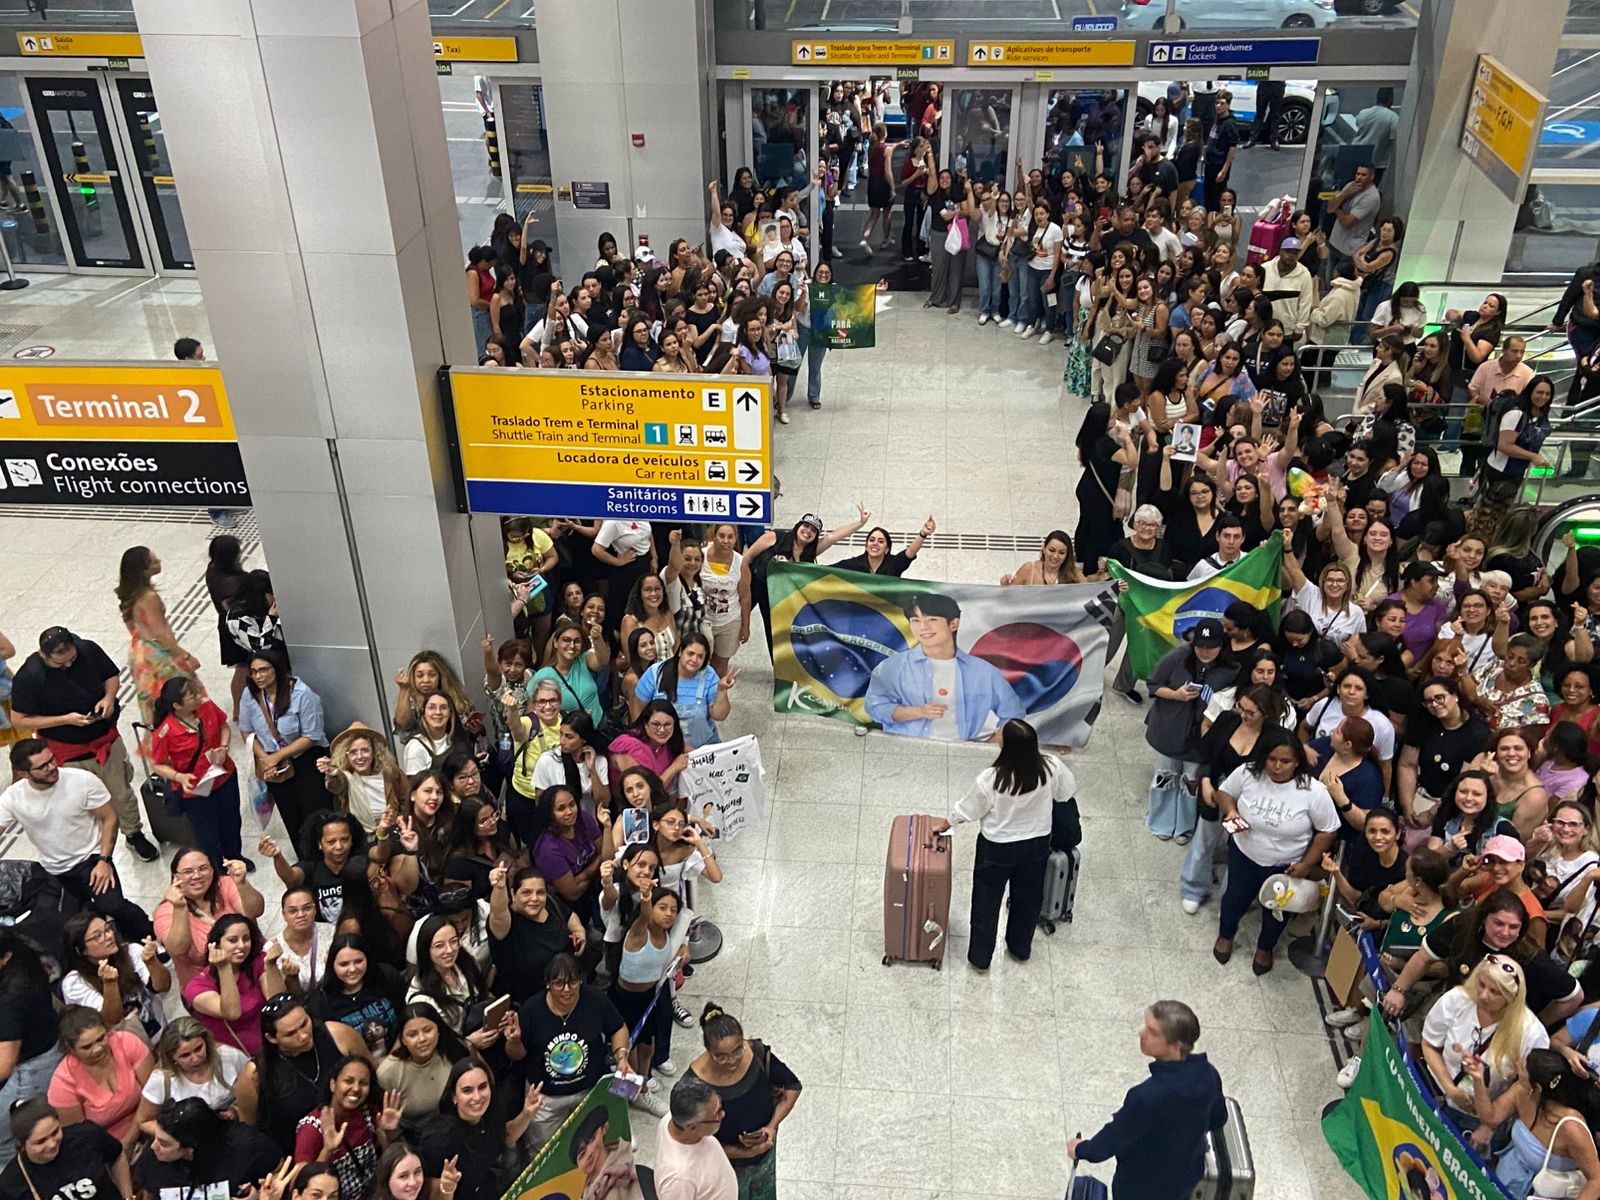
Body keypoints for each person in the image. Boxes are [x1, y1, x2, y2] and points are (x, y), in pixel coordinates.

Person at [6, 626, 158, 862]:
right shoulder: (30, 676)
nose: (68, 665)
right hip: (65, 751)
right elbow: (19, 719)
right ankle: (92, 848)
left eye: (71, 659)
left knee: (122, 793)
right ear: (43, 655)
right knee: (77, 803)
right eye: (60, 663)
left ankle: (133, 833)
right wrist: (65, 720)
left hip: (105, 740)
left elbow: (110, 676)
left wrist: (108, 698)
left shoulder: (88, 650)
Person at [933, 719, 1075, 970]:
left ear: (1007, 745)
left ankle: (980, 957)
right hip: (1036, 845)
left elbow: (970, 809)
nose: (996, 732)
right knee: (1028, 900)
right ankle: (1020, 948)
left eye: (1000, 731)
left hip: (996, 847)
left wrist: (947, 822)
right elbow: (1065, 794)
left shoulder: (991, 779)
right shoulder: (1052, 766)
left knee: (986, 904)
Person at [1067, 1001, 1226, 1200]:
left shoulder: (1147, 1096)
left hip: (1141, 1186)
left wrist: (1080, 1148)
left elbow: (1110, 1142)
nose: (1142, 1034)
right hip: (1186, 1175)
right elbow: (1218, 1119)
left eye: (1152, 1032)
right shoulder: (1208, 1074)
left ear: (1175, 1045)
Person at [1211, 733, 1340, 974]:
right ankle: (1225, 935)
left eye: (1285, 761)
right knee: (1234, 898)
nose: (1277, 767)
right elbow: (1224, 792)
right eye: (1272, 759)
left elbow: (1327, 831)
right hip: (1244, 854)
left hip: (1285, 864)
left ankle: (1265, 948)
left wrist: (1306, 864)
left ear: (1297, 762)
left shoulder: (1314, 791)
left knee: (1277, 910)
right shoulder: (1248, 772)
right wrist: (1230, 811)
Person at [0, 739, 154, 939]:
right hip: (55, 869)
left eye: (52, 759)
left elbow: (109, 817)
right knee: (77, 921)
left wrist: (104, 861)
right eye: (43, 766)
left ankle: (148, 934)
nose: (53, 767)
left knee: (113, 906)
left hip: (91, 860)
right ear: (23, 773)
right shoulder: (13, 797)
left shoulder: (81, 780)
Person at [506, 952, 631, 1149]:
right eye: (559, 984)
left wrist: (621, 1057)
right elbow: (518, 1055)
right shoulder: (531, 1010)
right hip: (547, 1097)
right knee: (542, 1150)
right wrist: (514, 1040)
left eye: (573, 982)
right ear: (547, 983)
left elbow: (617, 1028)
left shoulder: (595, 1000)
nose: (567, 990)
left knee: (598, 1143)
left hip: (590, 1089)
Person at [864, 591, 1025, 741]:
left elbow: (1014, 715)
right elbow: (875, 708)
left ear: (953, 624)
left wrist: (988, 747)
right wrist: (918, 712)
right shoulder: (891, 667)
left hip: (961, 754)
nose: (923, 627)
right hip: (905, 752)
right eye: (915, 620)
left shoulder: (983, 672)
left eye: (931, 619)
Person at [684, 1004, 800, 1200]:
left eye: (737, 1051)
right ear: (707, 1051)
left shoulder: (756, 1053)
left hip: (765, 1154)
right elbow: (693, 1140)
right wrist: (742, 1152)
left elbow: (793, 1087)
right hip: (725, 1166)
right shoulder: (694, 1085)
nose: (732, 1061)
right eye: (720, 1056)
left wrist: (771, 1127)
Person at [1143, 621, 1238, 843]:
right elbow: (1153, 684)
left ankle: (1184, 826)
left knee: (1191, 781)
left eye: (1211, 647)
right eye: (1201, 646)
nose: (1205, 651)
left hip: (1201, 738)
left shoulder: (1230, 669)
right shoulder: (1177, 657)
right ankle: (1160, 820)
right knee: (1166, 776)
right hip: (1170, 728)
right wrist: (1176, 695)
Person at [149, 676, 245, 870]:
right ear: (177, 705)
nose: (197, 696)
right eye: (191, 694)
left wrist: (224, 747)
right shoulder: (165, 732)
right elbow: (157, 764)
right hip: (196, 789)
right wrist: (179, 777)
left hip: (224, 775)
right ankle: (217, 867)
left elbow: (223, 726)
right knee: (207, 833)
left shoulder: (207, 706)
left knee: (231, 819)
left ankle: (235, 856)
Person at [414, 1061, 544, 1200]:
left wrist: (527, 1114)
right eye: (467, 1090)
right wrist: (447, 1188)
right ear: (454, 1096)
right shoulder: (438, 1139)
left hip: (485, 1187)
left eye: (482, 1087)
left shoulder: (491, 1114)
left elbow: (504, 1137)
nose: (477, 1097)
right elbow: (426, 1192)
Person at [240, 650, 333, 842]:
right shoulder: (251, 695)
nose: (258, 676)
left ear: (277, 670)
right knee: (291, 818)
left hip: (305, 758)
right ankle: (303, 863)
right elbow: (246, 730)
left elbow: (311, 735)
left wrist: (277, 756)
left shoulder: (301, 694)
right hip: (274, 764)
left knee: (317, 817)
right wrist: (266, 759)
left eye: (263, 670)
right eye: (253, 671)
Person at [46, 1005, 154, 1154]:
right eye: (86, 1047)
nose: (97, 1049)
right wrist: (119, 1152)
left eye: (101, 1038)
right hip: (105, 1149)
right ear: (70, 1049)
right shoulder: (63, 1083)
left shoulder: (127, 1042)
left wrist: (129, 1140)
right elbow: (81, 1138)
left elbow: (154, 1096)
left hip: (149, 1123)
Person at [117, 545, 205, 727]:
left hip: (141, 651)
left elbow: (129, 623)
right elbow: (160, 634)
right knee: (180, 693)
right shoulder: (149, 597)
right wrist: (185, 656)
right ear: (143, 571)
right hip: (159, 656)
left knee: (152, 697)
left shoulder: (130, 593)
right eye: (154, 562)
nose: (159, 563)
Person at [153, 848, 265, 989]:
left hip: (253, 965)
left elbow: (255, 911)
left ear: (213, 870)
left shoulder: (225, 884)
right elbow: (178, 949)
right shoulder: (165, 911)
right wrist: (180, 908)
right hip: (210, 985)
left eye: (203, 868)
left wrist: (242, 884)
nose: (197, 876)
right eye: (188, 872)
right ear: (176, 877)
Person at [138, 1097, 283, 1200]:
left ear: (190, 1149)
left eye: (164, 1143)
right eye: (155, 1137)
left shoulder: (248, 1145)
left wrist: (261, 1197)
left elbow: (280, 1170)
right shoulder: (152, 1159)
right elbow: (150, 1194)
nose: (153, 1146)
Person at [58, 910, 170, 1042]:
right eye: (98, 936)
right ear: (81, 950)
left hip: (160, 1035)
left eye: (108, 929)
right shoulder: (75, 983)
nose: (110, 936)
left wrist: (152, 962)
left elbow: (163, 986)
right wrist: (109, 985)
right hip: (122, 1047)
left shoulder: (132, 951)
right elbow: (111, 1020)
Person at [134, 1016, 250, 1130]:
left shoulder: (229, 1056)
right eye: (185, 1055)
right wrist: (175, 1134)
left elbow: (255, 1089)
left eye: (198, 1048)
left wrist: (236, 1109)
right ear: (172, 1057)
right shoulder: (161, 1080)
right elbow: (144, 1121)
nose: (195, 1059)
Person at [0, 1099, 130, 1200]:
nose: (51, 1144)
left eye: (55, 1132)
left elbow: (117, 1155)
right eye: (41, 1141)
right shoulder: (11, 1183)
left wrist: (128, 1197)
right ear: (21, 1146)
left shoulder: (87, 1136)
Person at [655, 1075, 738, 1200]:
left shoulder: (671, 1120)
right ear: (693, 1127)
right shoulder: (679, 1180)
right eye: (717, 1114)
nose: (723, 1114)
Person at [1326, 163, 1380, 275]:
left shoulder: (1372, 197)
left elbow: (1347, 222)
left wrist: (1337, 209)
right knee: (1328, 279)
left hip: (1349, 249)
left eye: (1364, 175)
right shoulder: (1350, 186)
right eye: (1358, 174)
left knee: (1339, 283)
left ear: (1372, 176)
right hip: (1335, 242)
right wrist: (1345, 194)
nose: (1359, 177)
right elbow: (1329, 208)